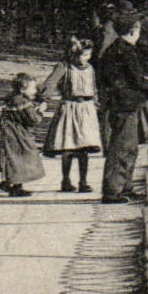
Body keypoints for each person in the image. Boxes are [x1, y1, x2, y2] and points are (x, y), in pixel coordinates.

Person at [96, 10, 148, 203]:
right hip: (125, 105)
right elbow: (136, 79)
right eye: (138, 30)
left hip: (119, 104)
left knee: (129, 147)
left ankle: (124, 186)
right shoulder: (127, 51)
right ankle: (113, 190)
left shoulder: (112, 50)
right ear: (132, 30)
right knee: (122, 148)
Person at [43, 37, 102, 193]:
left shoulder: (90, 69)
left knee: (84, 147)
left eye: (88, 55)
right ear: (73, 54)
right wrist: (44, 100)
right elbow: (50, 83)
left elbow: (94, 87)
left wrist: (97, 103)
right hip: (70, 107)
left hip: (86, 109)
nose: (85, 59)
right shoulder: (64, 67)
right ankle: (66, 180)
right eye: (82, 55)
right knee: (68, 146)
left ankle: (83, 181)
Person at [0, 73, 47, 197]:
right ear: (22, 89)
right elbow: (32, 120)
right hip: (16, 134)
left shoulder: (13, 98)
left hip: (7, 131)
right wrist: (41, 111)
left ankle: (11, 183)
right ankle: (13, 185)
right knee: (21, 157)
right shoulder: (22, 102)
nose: (35, 91)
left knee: (14, 158)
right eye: (32, 88)